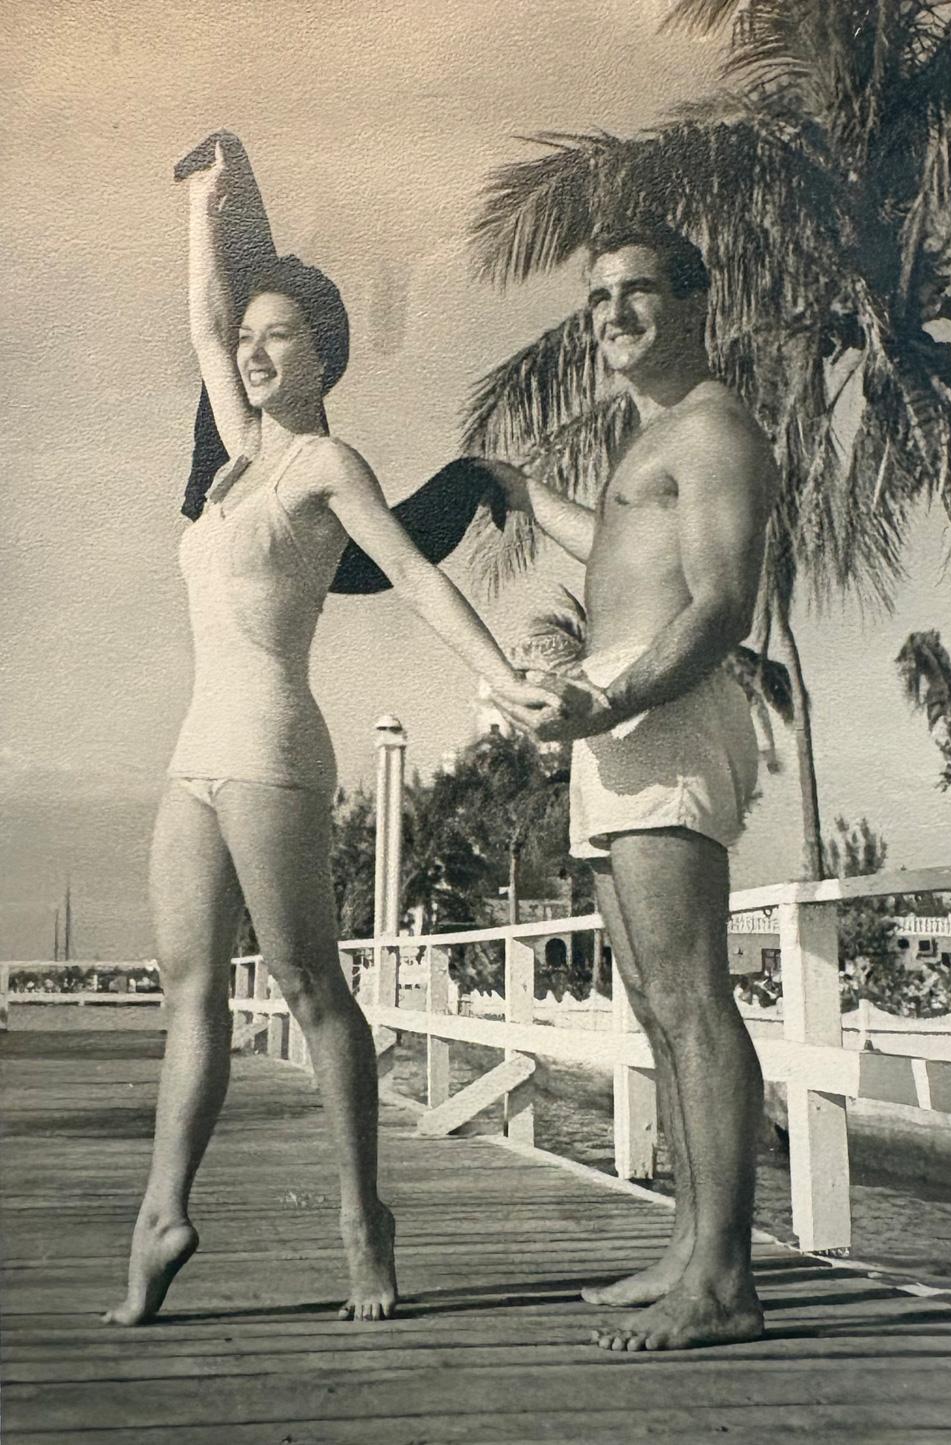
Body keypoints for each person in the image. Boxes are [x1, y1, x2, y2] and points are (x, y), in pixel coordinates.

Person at [103, 137, 560, 1327]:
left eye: (279, 339)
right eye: (249, 340)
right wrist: (203, 202)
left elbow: (410, 573)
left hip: (270, 746)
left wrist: (502, 676)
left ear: (323, 354)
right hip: (195, 752)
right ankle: (164, 1213)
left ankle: (364, 1217)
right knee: (189, 987)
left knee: (313, 988)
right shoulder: (233, 452)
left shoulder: (322, 463)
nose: (253, 354)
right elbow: (202, 321)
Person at [489, 228, 778, 1351]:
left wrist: (610, 707)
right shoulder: (655, 439)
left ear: (696, 299)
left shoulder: (711, 428)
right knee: (655, 1003)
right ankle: (687, 1247)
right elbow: (615, 544)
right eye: (598, 297)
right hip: (614, 714)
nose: (612, 313)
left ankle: (724, 1283)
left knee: (694, 997)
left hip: (662, 708)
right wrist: (518, 493)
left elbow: (717, 607)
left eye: (637, 291)